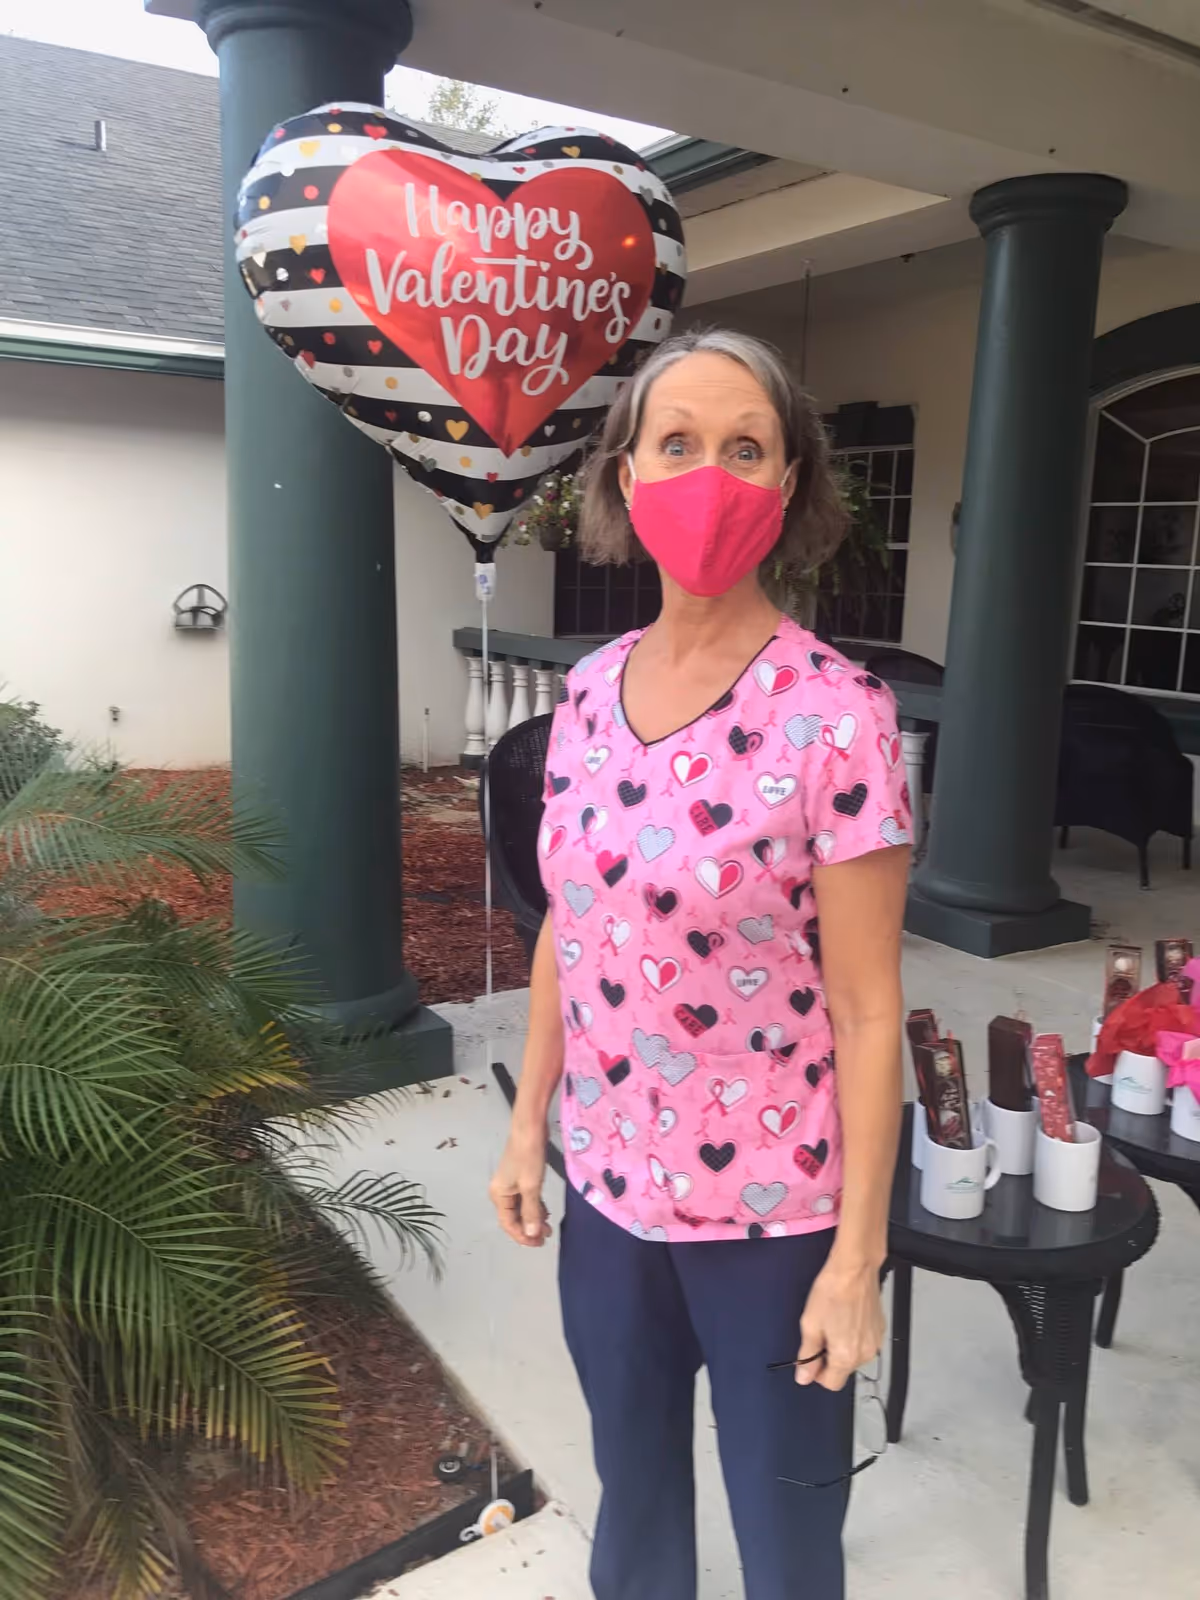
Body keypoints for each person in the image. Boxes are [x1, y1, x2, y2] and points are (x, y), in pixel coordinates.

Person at [489, 327, 911, 1600]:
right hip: (611, 1194)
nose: (709, 475)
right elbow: (572, 920)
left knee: (788, 1545)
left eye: (745, 448)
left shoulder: (840, 715)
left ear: (789, 487)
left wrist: (856, 1260)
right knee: (636, 1508)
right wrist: (528, 1129)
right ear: (623, 474)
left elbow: (870, 1007)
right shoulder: (590, 689)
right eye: (677, 443)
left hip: (778, 1221)